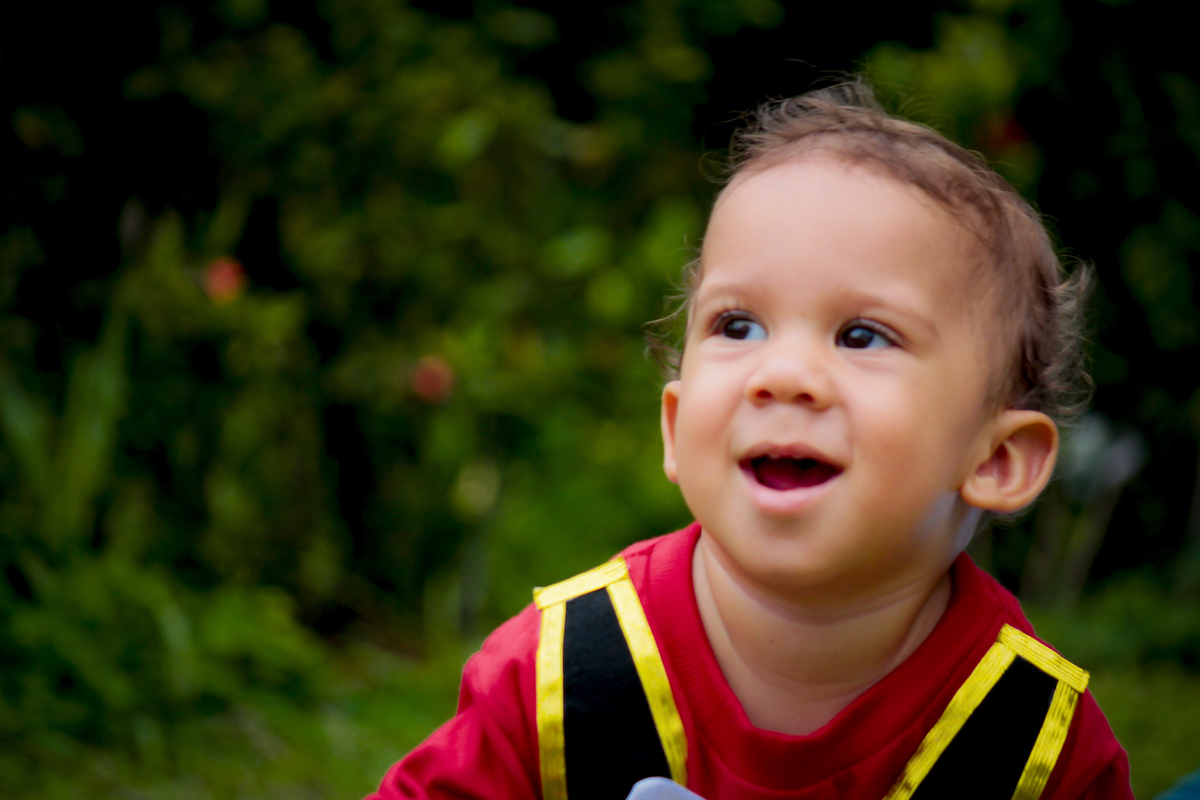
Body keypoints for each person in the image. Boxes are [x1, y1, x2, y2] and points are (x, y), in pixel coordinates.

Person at [367, 81, 1133, 800]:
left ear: (996, 460)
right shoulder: (562, 676)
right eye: (739, 326)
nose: (783, 374)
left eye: (862, 336)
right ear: (673, 427)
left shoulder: (1035, 745)